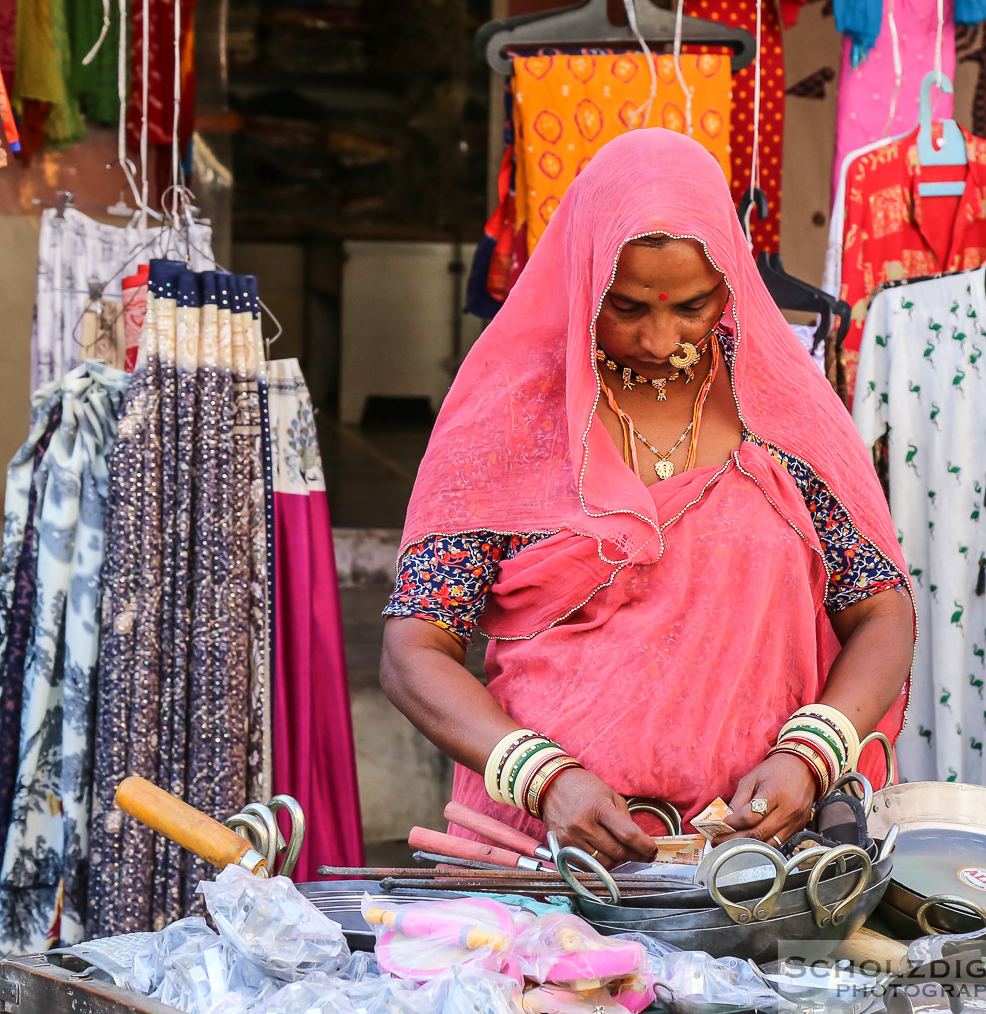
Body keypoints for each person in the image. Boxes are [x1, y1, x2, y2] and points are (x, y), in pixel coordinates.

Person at [380, 129, 915, 865]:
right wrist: (545, 780)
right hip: (540, 858)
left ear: (730, 280)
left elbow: (882, 611)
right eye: (627, 308)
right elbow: (415, 650)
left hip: (749, 858)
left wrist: (810, 755)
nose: (662, 339)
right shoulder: (512, 417)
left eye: (692, 306)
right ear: (584, 275)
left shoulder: (782, 414)